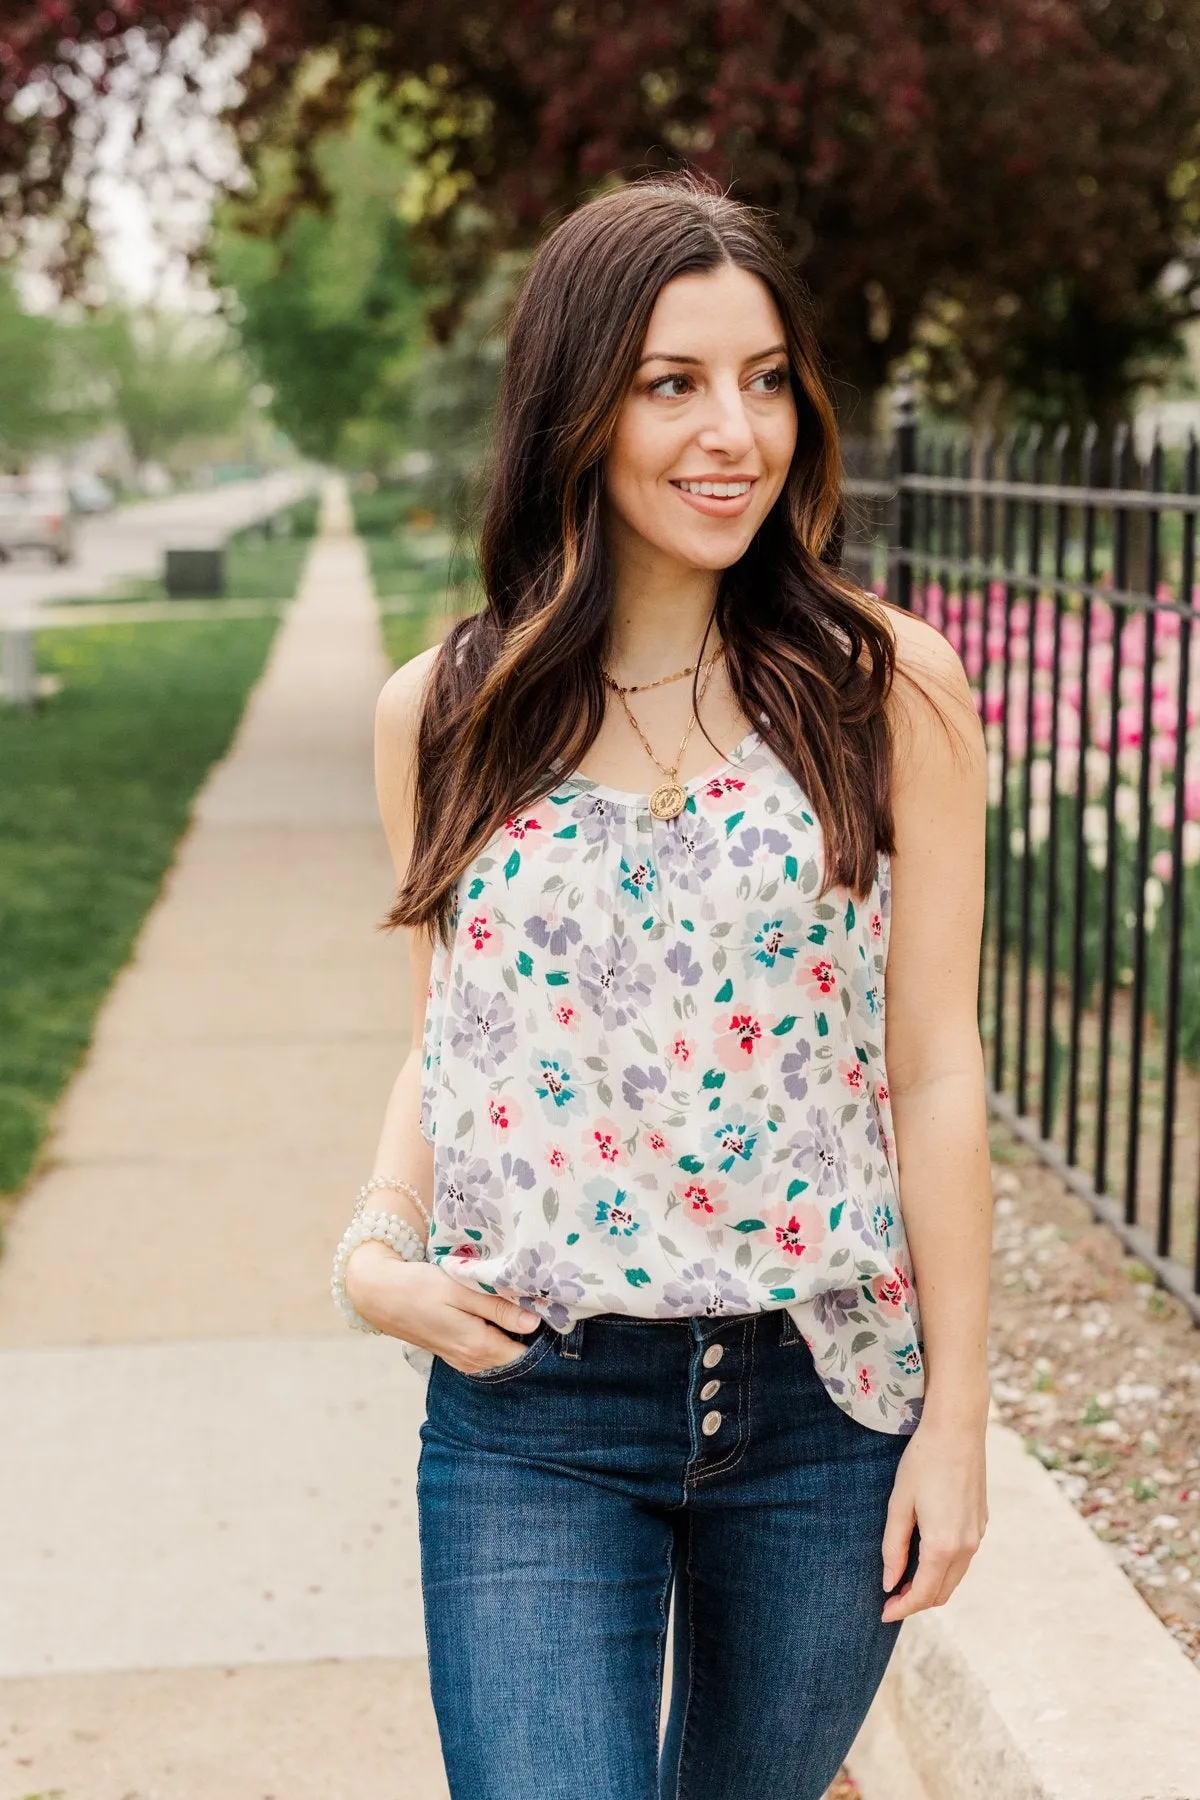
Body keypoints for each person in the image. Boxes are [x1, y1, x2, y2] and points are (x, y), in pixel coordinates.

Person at [333, 171, 992, 1800]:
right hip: (534, 1408)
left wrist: (959, 1423)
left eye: (766, 381)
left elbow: (937, 1066)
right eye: (672, 383)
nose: (735, 433)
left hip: (823, 1400)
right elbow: (456, 1038)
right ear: (577, 405)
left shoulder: (884, 684)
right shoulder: (447, 712)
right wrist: (371, 1251)